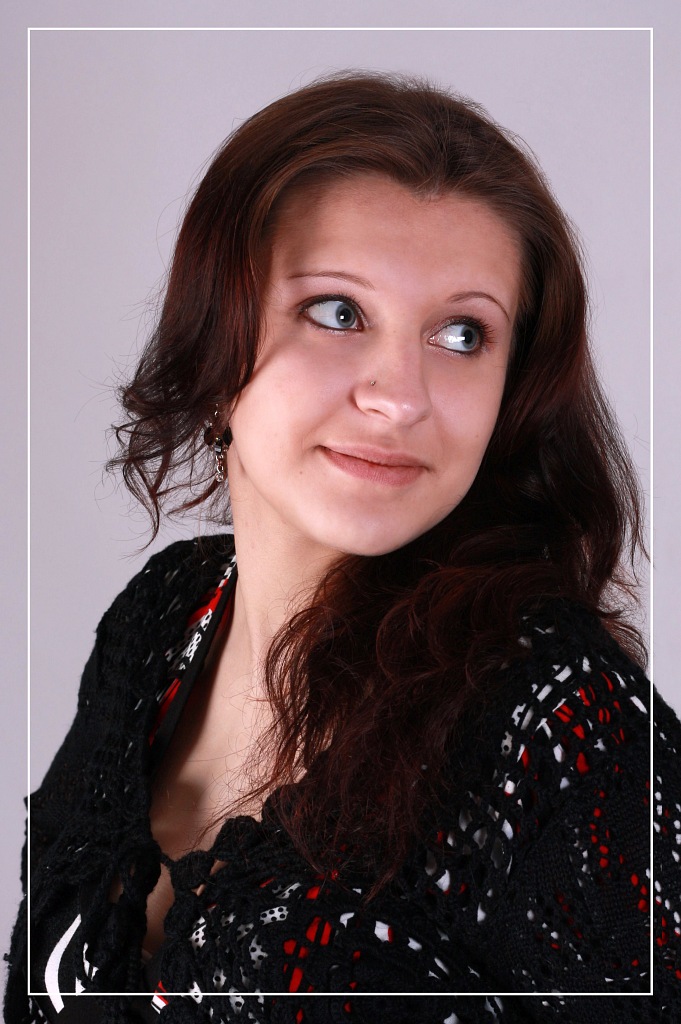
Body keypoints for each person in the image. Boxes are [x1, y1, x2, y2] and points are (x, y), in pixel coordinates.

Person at [6, 71, 680, 1024]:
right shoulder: (162, 623)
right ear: (216, 334)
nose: (398, 397)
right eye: (337, 311)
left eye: (461, 333)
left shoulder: (554, 716)